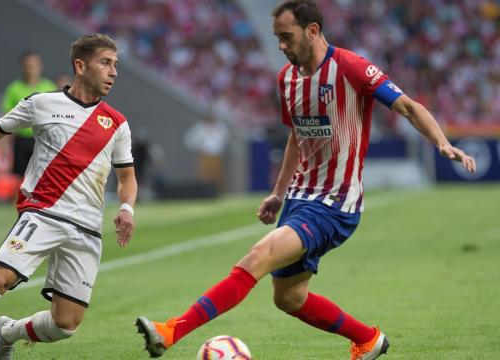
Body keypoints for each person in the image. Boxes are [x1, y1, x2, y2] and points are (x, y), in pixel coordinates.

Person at [135, 1, 476, 359]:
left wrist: (442, 143)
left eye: (287, 37)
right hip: (300, 199)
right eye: (277, 38)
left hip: (334, 204)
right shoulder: (287, 80)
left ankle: (171, 331)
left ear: (312, 30)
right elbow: (297, 138)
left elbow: (408, 106)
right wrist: (278, 194)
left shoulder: (351, 67)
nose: (281, 46)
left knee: (258, 256)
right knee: (289, 298)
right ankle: (369, 340)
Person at [0, 34, 137, 360]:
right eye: (106, 63)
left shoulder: (117, 123)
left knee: (65, 324)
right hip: (42, 213)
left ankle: (8, 332)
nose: (113, 72)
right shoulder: (42, 103)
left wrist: (127, 207)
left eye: (115, 65)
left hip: (86, 228)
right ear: (80, 65)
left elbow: (127, 176)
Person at [1, 51, 57, 177]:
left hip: (43, 140)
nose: (30, 70)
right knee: (20, 179)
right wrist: (4, 145)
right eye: (27, 66)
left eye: (33, 66)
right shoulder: (13, 89)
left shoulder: (50, 87)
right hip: (21, 139)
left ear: (40, 66)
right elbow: (6, 119)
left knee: (42, 176)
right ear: (22, 68)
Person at [184, 111, 229, 193]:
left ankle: (219, 192)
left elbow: (225, 140)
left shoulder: (220, 127)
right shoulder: (200, 128)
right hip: (205, 156)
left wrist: (221, 149)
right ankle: (204, 193)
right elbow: (190, 140)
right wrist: (198, 149)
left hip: (217, 156)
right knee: (205, 176)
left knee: (217, 176)